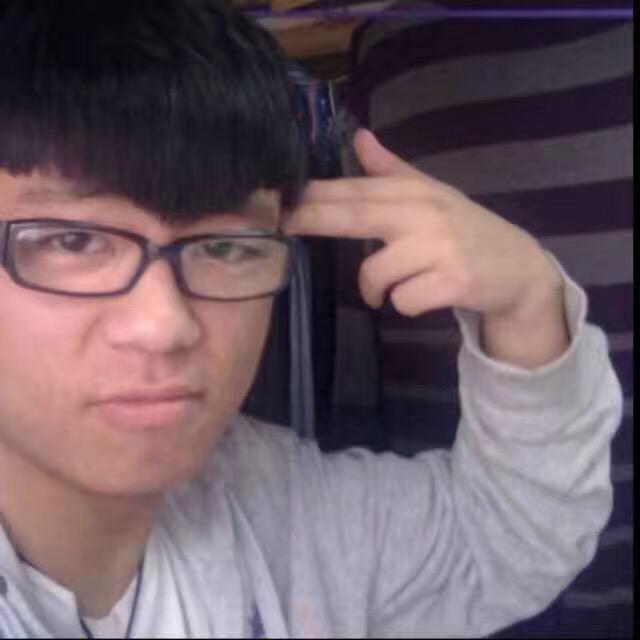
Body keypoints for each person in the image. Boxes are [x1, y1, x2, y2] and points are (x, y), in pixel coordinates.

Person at [0, 1, 622, 638]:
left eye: (225, 247)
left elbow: (503, 542)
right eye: (73, 241)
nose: (165, 325)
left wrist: (527, 304)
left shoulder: (276, 507)